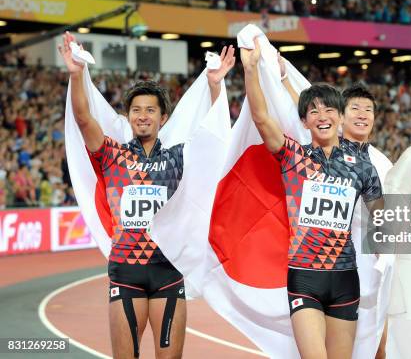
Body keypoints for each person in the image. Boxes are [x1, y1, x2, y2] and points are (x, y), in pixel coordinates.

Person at [59, 31, 235, 358]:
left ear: (162, 118)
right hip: (126, 272)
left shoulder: (178, 156)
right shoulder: (111, 154)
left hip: (168, 271)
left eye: (150, 110)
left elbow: (214, 142)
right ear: (128, 117)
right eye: (136, 110)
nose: (143, 115)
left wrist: (215, 87)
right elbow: (83, 119)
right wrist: (76, 74)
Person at [241, 39, 383, 359]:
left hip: (346, 279)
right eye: (313, 111)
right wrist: (251, 71)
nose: (322, 115)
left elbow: (381, 214)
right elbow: (263, 119)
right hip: (305, 277)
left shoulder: (361, 164)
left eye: (329, 109)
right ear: (304, 121)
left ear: (340, 117)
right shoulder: (293, 156)